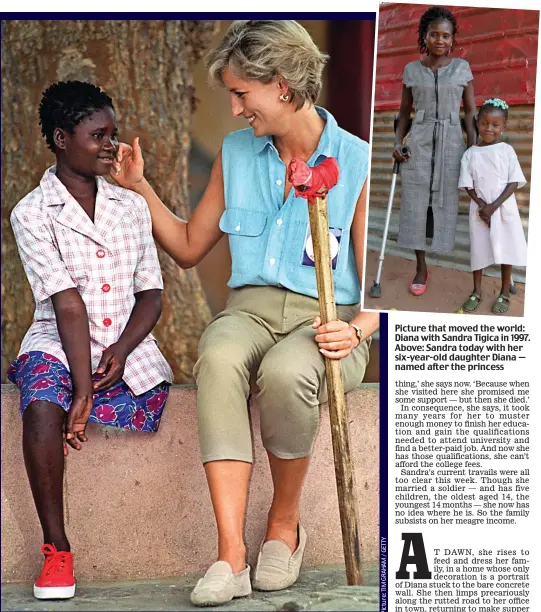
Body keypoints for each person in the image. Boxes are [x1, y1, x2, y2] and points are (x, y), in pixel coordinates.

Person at [112, 20, 380, 607]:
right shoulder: (236, 154)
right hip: (249, 310)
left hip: (329, 321)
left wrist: (357, 328)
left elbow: (384, 288)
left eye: (241, 94)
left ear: (282, 86)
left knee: (289, 372)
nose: (234, 110)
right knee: (220, 351)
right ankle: (230, 555)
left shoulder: (360, 162)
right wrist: (140, 189)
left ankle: (283, 529)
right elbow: (187, 246)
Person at [8, 81, 173, 600]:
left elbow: (152, 296)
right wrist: (81, 390)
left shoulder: (131, 208)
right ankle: (56, 550)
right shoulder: (31, 214)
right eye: (97, 135)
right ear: (61, 138)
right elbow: (67, 305)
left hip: (125, 341)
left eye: (113, 134)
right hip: (59, 338)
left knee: (128, 389)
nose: (111, 146)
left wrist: (121, 351)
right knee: (40, 405)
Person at [393, 6, 476, 296]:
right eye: (434, 34)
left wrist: (473, 146)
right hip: (420, 139)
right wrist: (397, 142)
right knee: (415, 203)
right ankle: (420, 266)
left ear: (453, 39)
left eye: (446, 35)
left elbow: (469, 112)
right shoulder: (411, 70)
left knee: (445, 201)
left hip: (452, 139)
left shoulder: (462, 69)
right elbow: (404, 112)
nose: (440, 40)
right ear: (424, 37)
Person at [458, 99, 527, 314]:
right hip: (479, 211)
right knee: (479, 250)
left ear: (503, 127)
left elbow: (514, 181)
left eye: (495, 125)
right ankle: (476, 291)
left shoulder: (506, 151)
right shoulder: (470, 154)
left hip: (504, 208)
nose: (489, 128)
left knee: (505, 250)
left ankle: (504, 292)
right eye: (485, 123)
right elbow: (467, 184)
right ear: (477, 123)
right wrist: (482, 205)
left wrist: (493, 206)